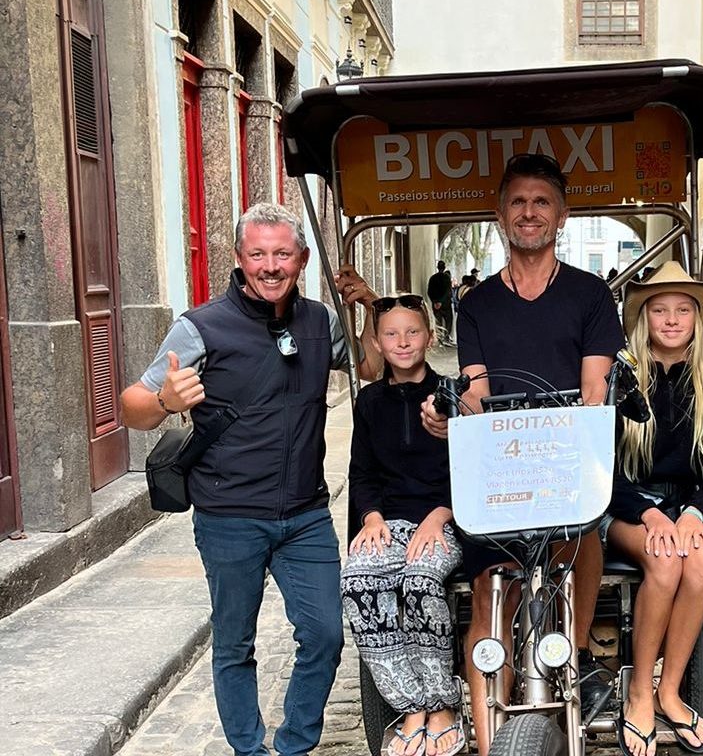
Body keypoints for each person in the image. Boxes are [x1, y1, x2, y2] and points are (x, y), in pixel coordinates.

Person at [119, 203, 379, 756]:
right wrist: (165, 401)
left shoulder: (318, 321)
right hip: (229, 517)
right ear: (239, 258)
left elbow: (371, 369)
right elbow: (132, 405)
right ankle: (248, 749)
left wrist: (368, 310)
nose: (270, 265)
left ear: (302, 259)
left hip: (306, 516)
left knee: (327, 635)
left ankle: (293, 745)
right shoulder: (201, 326)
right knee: (234, 643)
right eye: (257, 253)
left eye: (282, 253)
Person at [421, 152, 625, 756]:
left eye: (541, 203)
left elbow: (593, 393)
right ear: (500, 214)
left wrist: (557, 443)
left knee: (583, 532)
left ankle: (580, 653)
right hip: (502, 464)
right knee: (490, 587)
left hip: (566, 463)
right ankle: (491, 741)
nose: (529, 213)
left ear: (561, 216)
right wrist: (454, 416)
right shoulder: (477, 303)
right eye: (518, 202)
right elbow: (478, 393)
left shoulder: (590, 295)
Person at [606, 262, 703, 756]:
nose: (670, 319)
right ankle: (641, 690)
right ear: (644, 317)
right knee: (664, 563)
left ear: (696, 318)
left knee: (701, 561)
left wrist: (693, 512)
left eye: (682, 309)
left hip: (689, 505)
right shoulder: (620, 382)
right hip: (627, 507)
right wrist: (648, 512)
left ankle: (671, 689)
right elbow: (601, 466)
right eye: (659, 309)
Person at [341, 294, 464, 756]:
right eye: (391, 334)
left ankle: (442, 707)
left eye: (412, 332)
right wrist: (371, 517)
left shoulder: (452, 395)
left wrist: (439, 516)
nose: (403, 342)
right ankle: (411, 705)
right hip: (389, 521)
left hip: (444, 521)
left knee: (419, 581)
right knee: (358, 580)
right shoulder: (370, 402)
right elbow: (362, 471)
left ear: (429, 337)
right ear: (377, 341)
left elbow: (471, 467)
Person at [427, 260, 453, 345]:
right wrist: (441, 301)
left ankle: (440, 339)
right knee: (448, 321)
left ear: (437, 267)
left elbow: (429, 291)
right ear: (444, 267)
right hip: (446, 304)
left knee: (438, 322)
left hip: (436, 304)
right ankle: (446, 337)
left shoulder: (432, 278)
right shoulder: (447, 278)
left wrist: (435, 302)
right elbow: (448, 291)